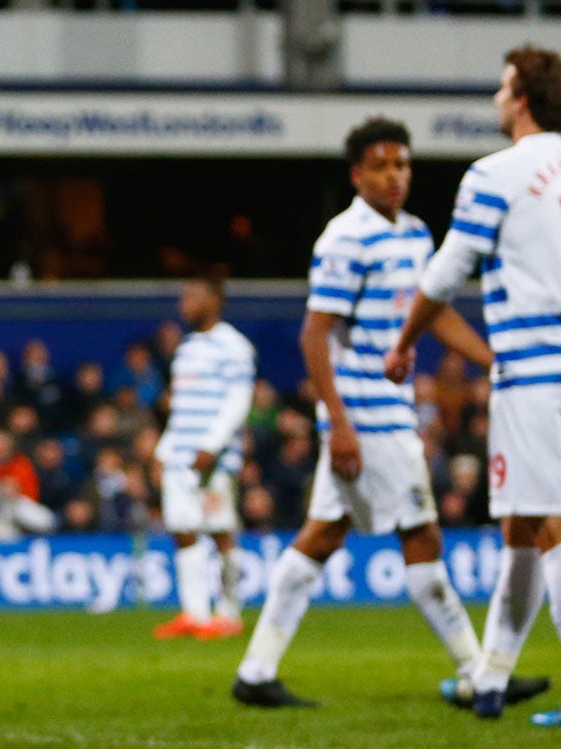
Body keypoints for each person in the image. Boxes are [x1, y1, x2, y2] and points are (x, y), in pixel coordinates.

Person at [234, 117, 531, 707]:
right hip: (368, 418)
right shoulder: (344, 238)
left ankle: (256, 673)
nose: (395, 176)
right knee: (421, 533)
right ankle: (479, 673)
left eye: (403, 164)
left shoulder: (417, 233)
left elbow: (432, 313)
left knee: (321, 537)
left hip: (382, 412)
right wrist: (338, 424)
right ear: (357, 174)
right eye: (381, 166)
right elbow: (314, 335)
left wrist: (490, 360)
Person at [385, 48, 561, 718]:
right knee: (521, 523)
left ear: (520, 99)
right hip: (537, 370)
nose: (495, 95)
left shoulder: (496, 173)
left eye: (501, 84)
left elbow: (445, 273)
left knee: (549, 522)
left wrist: (404, 344)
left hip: (538, 375)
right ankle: (490, 678)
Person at [150, 276, 256, 640]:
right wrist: (164, 450)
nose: (184, 302)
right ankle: (195, 613)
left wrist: (212, 445)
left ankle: (228, 613)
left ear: (214, 301)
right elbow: (179, 409)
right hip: (181, 457)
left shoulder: (234, 346)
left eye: (192, 295)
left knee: (220, 530)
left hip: (213, 459)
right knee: (183, 530)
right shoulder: (187, 348)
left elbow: (238, 399)